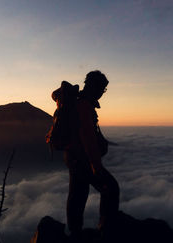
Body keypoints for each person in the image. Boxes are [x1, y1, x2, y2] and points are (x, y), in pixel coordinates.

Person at [63, 70, 120, 241]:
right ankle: (106, 230)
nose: (102, 93)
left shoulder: (79, 102)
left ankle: (75, 233)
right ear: (94, 86)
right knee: (111, 188)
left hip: (72, 156)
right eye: (102, 88)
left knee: (78, 193)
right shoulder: (84, 106)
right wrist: (96, 165)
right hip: (83, 159)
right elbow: (87, 137)